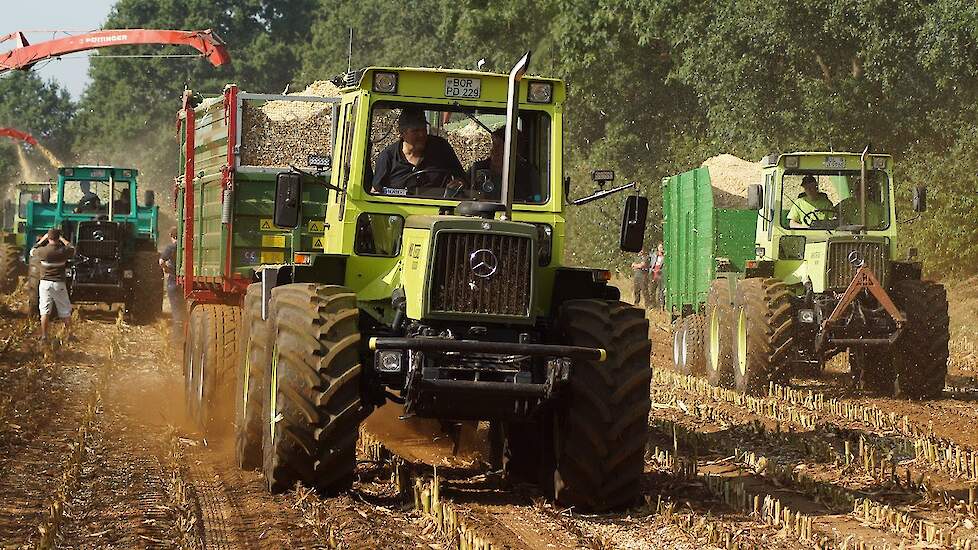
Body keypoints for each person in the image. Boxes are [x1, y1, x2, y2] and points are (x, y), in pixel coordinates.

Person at [371, 108, 466, 197]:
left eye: (423, 129)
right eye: (415, 131)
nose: (421, 134)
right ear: (402, 133)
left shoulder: (441, 148)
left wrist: (459, 182)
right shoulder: (388, 156)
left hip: (439, 209)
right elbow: (376, 191)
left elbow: (463, 179)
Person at [470, 127, 541, 202]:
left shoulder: (528, 174)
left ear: (514, 150)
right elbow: (464, 193)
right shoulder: (478, 168)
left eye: (499, 146)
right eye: (493, 145)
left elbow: (537, 200)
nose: (494, 151)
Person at [30, 228, 74, 341]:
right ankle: (69, 335)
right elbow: (72, 248)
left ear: (49, 238)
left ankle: (44, 336)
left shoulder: (42, 251)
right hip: (59, 284)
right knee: (65, 311)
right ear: (58, 238)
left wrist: (41, 241)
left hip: (45, 284)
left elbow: (32, 251)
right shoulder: (63, 251)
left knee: (44, 311)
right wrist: (63, 239)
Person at [159, 227, 185, 336]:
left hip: (174, 281)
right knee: (184, 309)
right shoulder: (185, 247)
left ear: (172, 236)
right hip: (185, 282)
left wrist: (166, 269)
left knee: (176, 311)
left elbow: (161, 262)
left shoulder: (171, 247)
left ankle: (177, 336)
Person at [650, 242, 665, 309]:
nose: (661, 249)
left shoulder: (665, 257)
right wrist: (652, 270)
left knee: (660, 291)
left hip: (660, 275)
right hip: (653, 275)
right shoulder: (654, 256)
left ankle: (660, 306)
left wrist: (660, 271)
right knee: (652, 291)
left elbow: (665, 268)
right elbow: (651, 265)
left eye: (662, 247)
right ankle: (653, 306)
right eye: (660, 247)